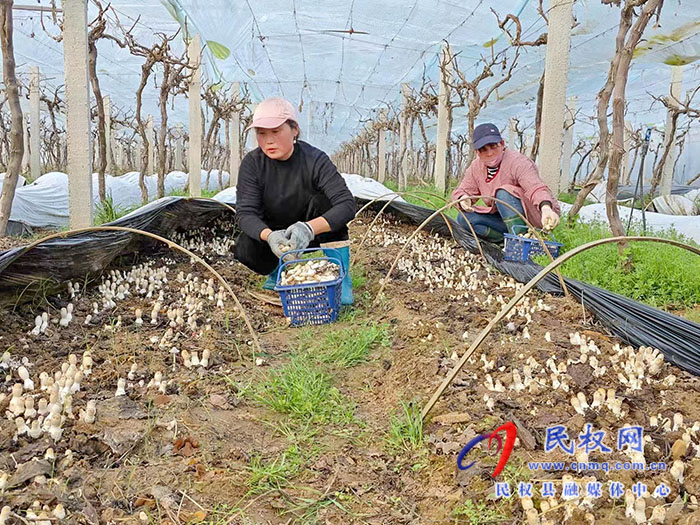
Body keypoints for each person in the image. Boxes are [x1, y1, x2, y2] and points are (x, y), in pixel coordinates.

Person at [234, 97, 356, 304]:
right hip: (275, 234)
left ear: (294, 130)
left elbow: (346, 204)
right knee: (244, 246)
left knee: (326, 203)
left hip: (309, 230)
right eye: (261, 134)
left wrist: (308, 228)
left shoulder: (315, 160)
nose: (268, 140)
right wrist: (270, 236)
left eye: (276, 131)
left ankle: (341, 278)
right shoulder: (252, 164)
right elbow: (245, 213)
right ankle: (278, 269)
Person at [451, 123, 561, 243]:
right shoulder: (476, 168)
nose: (489, 153)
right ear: (477, 152)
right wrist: (463, 198)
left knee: (503, 193)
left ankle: (523, 241)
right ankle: (504, 241)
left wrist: (546, 207)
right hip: (503, 219)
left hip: (533, 218)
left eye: (493, 147)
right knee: (464, 219)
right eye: (483, 150)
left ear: (502, 144)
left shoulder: (518, 162)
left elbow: (535, 187)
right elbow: (463, 190)